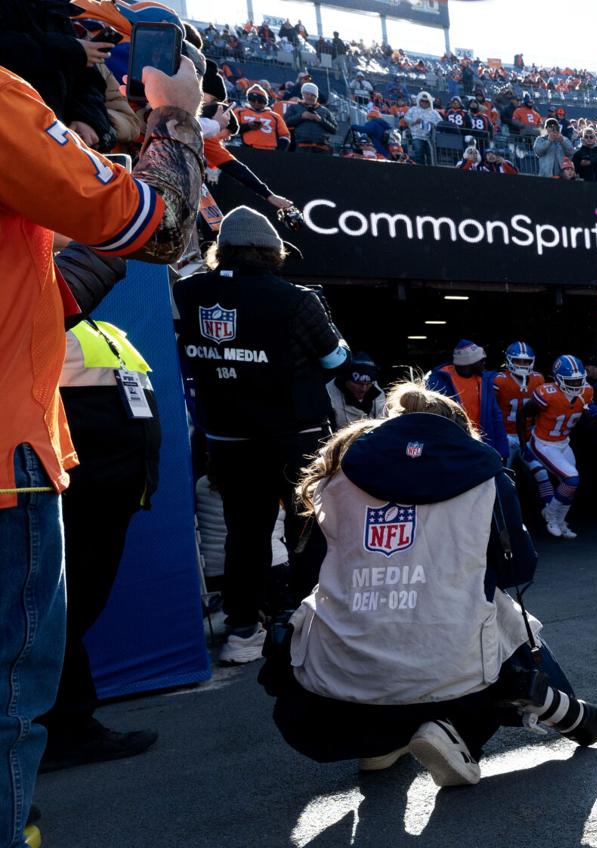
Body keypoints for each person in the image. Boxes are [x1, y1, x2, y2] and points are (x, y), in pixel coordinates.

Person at [0, 42, 201, 842]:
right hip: (6, 470)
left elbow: (46, 302)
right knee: (9, 708)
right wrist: (175, 112)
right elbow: (157, 227)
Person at [270, 381, 597, 787]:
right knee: (495, 611)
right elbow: (519, 569)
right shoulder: (487, 477)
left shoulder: (336, 476)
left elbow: (308, 570)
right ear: (457, 430)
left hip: (340, 673)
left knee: (351, 612)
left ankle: (378, 740)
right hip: (451, 670)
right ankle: (459, 737)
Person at [175, 207, 348, 663]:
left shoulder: (188, 293)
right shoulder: (295, 299)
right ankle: (314, 626)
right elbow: (336, 362)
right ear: (272, 251)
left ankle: (243, 630)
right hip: (296, 435)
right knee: (306, 529)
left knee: (244, 535)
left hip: (230, 440)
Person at [37, 318, 160, 773]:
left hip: (114, 494)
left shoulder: (103, 327)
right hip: (83, 493)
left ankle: (63, 726)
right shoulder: (40, 318)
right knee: (62, 614)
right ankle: (65, 730)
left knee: (74, 610)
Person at [522, 355, 593, 540]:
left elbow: (581, 416)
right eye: (571, 380)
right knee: (572, 479)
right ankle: (551, 515)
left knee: (569, 485)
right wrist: (524, 441)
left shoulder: (587, 392)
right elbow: (524, 414)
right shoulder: (547, 394)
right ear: (558, 379)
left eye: (579, 379)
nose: (577, 384)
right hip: (544, 443)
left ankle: (560, 521)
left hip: (563, 442)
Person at [426, 340, 510, 461]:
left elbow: (495, 416)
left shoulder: (484, 381)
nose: (484, 363)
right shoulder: (439, 382)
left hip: (482, 445)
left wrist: (502, 451)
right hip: (455, 447)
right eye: (481, 360)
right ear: (469, 363)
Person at [492, 341, 544, 470]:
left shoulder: (538, 379)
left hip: (527, 435)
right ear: (509, 360)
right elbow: (491, 409)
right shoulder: (499, 380)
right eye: (518, 361)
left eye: (526, 362)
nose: (522, 365)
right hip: (505, 435)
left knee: (540, 473)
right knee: (504, 473)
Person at [327, 353, 386, 430]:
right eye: (358, 383)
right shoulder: (327, 395)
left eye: (368, 384)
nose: (363, 389)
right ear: (345, 379)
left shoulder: (378, 392)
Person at [285, 82, 337, 153]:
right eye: (307, 94)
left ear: (316, 97)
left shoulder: (326, 111)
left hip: (322, 149)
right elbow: (285, 123)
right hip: (301, 147)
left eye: (313, 95)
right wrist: (301, 116)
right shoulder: (294, 107)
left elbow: (335, 129)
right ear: (302, 94)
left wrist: (321, 120)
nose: (310, 97)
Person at [233, 85, 289, 151]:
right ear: (248, 100)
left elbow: (285, 136)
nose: (256, 102)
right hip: (247, 148)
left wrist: (278, 152)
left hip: (270, 151)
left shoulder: (275, 116)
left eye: (260, 100)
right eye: (253, 100)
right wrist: (247, 126)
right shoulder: (240, 112)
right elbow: (231, 129)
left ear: (265, 102)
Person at [403, 91, 441, 165]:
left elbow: (440, 122)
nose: (424, 102)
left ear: (429, 102)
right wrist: (415, 121)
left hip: (430, 138)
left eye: (426, 101)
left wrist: (434, 124)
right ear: (419, 101)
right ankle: (420, 169)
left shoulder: (434, 112)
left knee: (431, 155)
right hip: (417, 136)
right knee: (418, 152)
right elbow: (406, 119)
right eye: (422, 101)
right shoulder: (413, 109)